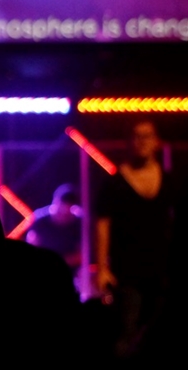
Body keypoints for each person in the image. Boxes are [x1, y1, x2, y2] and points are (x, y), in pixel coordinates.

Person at [95, 120, 175, 357]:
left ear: (157, 142)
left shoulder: (169, 180)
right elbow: (102, 226)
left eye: (147, 136)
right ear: (128, 142)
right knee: (126, 334)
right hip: (127, 270)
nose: (142, 141)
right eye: (137, 136)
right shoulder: (114, 183)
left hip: (162, 268)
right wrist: (102, 268)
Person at [27, 184, 83, 271]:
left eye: (67, 212)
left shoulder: (79, 222)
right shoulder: (40, 220)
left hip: (71, 272)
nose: (64, 214)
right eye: (61, 209)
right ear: (55, 201)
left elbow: (82, 255)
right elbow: (31, 246)